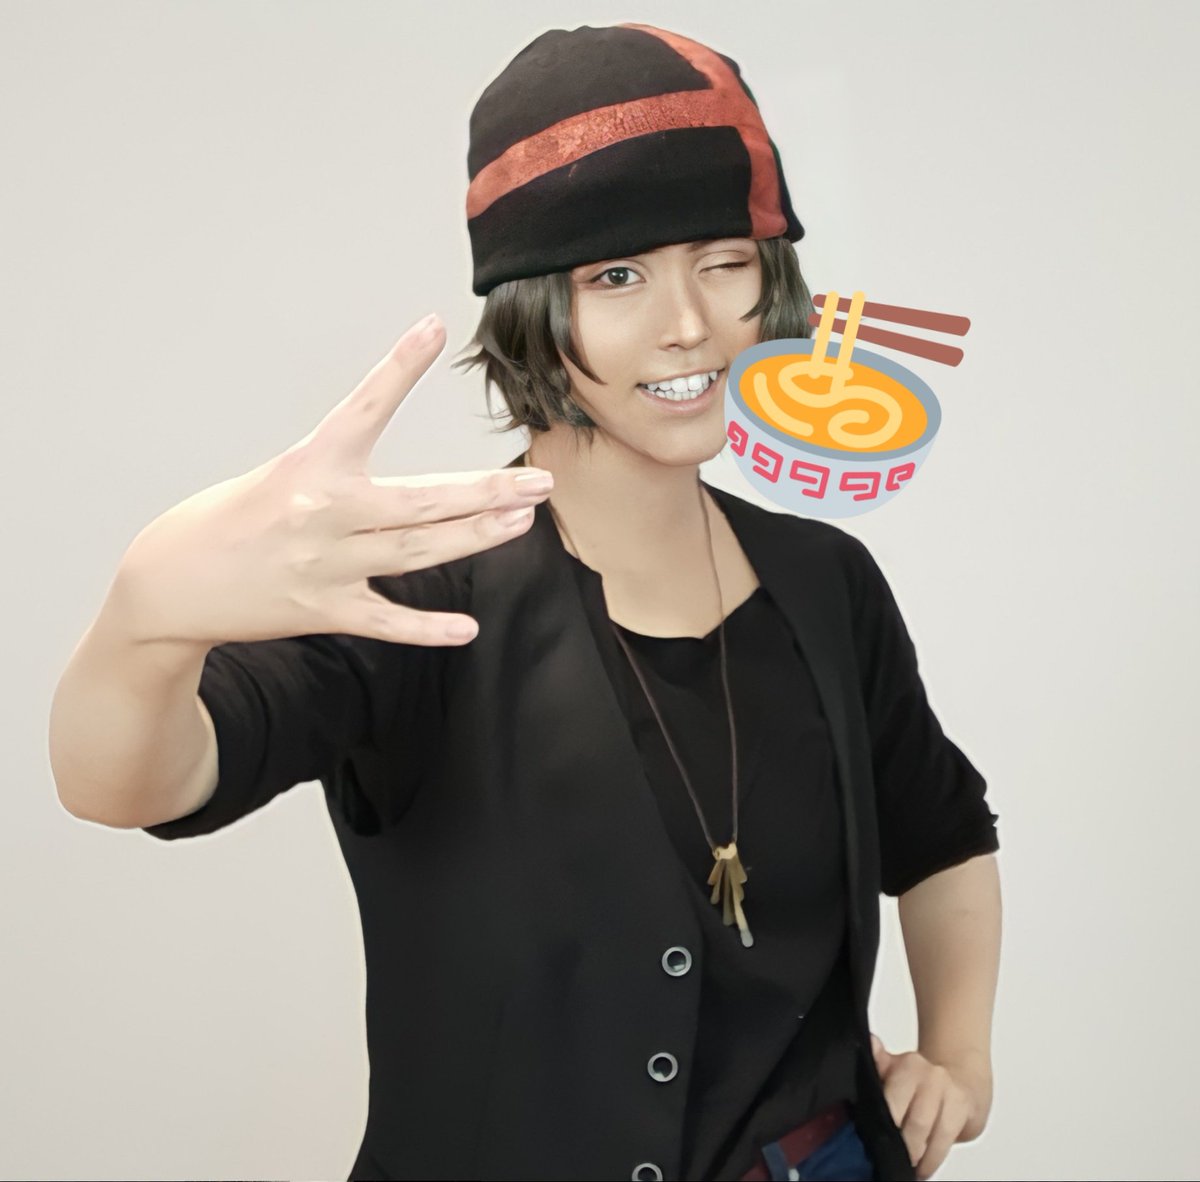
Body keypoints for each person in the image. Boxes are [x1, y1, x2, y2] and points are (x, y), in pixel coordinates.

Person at [48, 22, 1001, 1182]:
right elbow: (133, 782)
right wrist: (146, 617)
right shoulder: (415, 595)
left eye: (723, 260)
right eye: (616, 277)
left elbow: (943, 830)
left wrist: (961, 1056)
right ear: (531, 310)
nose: (688, 322)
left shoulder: (824, 581)